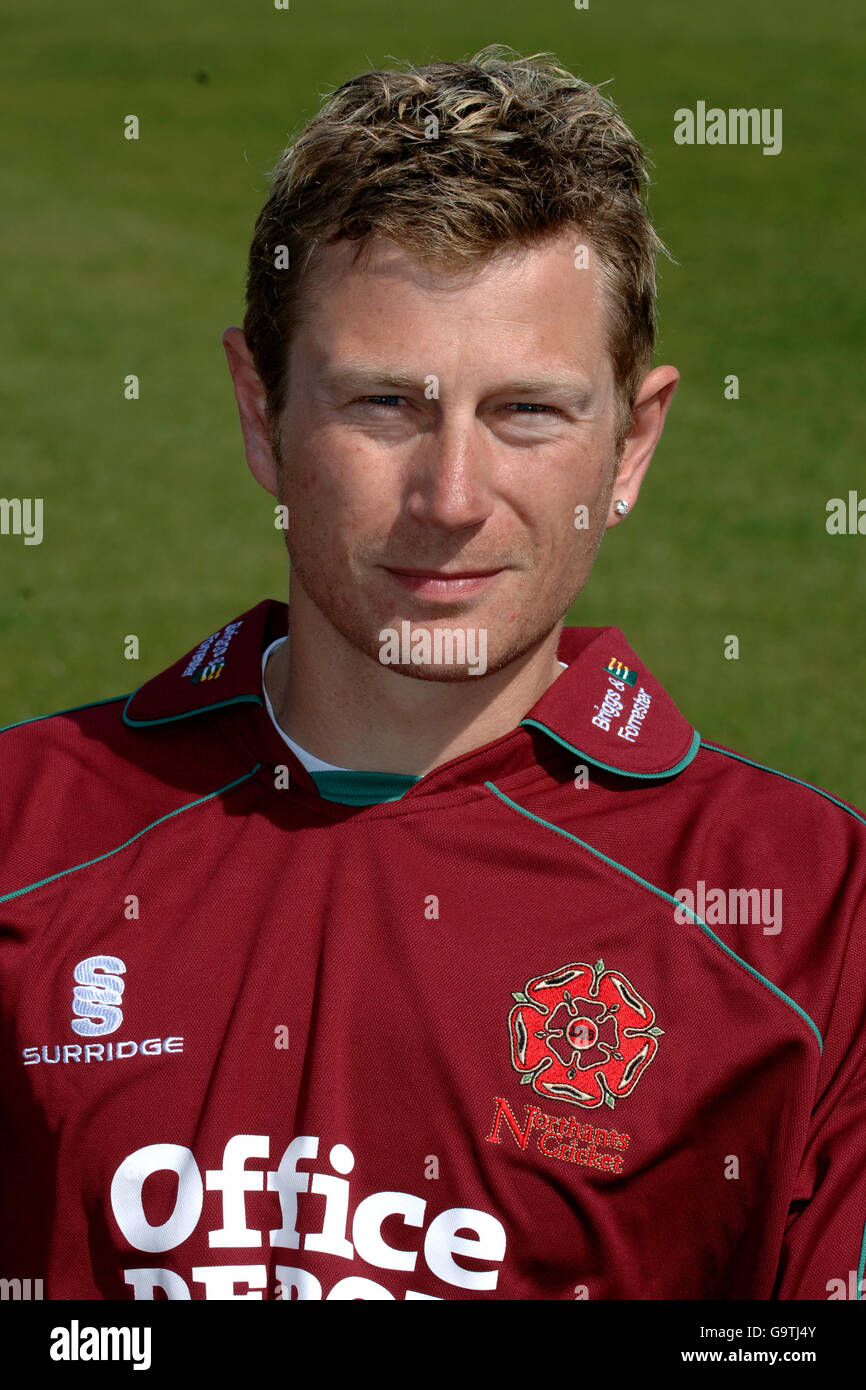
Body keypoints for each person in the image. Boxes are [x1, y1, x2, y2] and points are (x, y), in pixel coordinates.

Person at [1, 44, 864, 1303]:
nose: (450, 500)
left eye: (528, 413)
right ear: (260, 410)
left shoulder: (806, 913)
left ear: (632, 444)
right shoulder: (25, 834)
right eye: (384, 406)